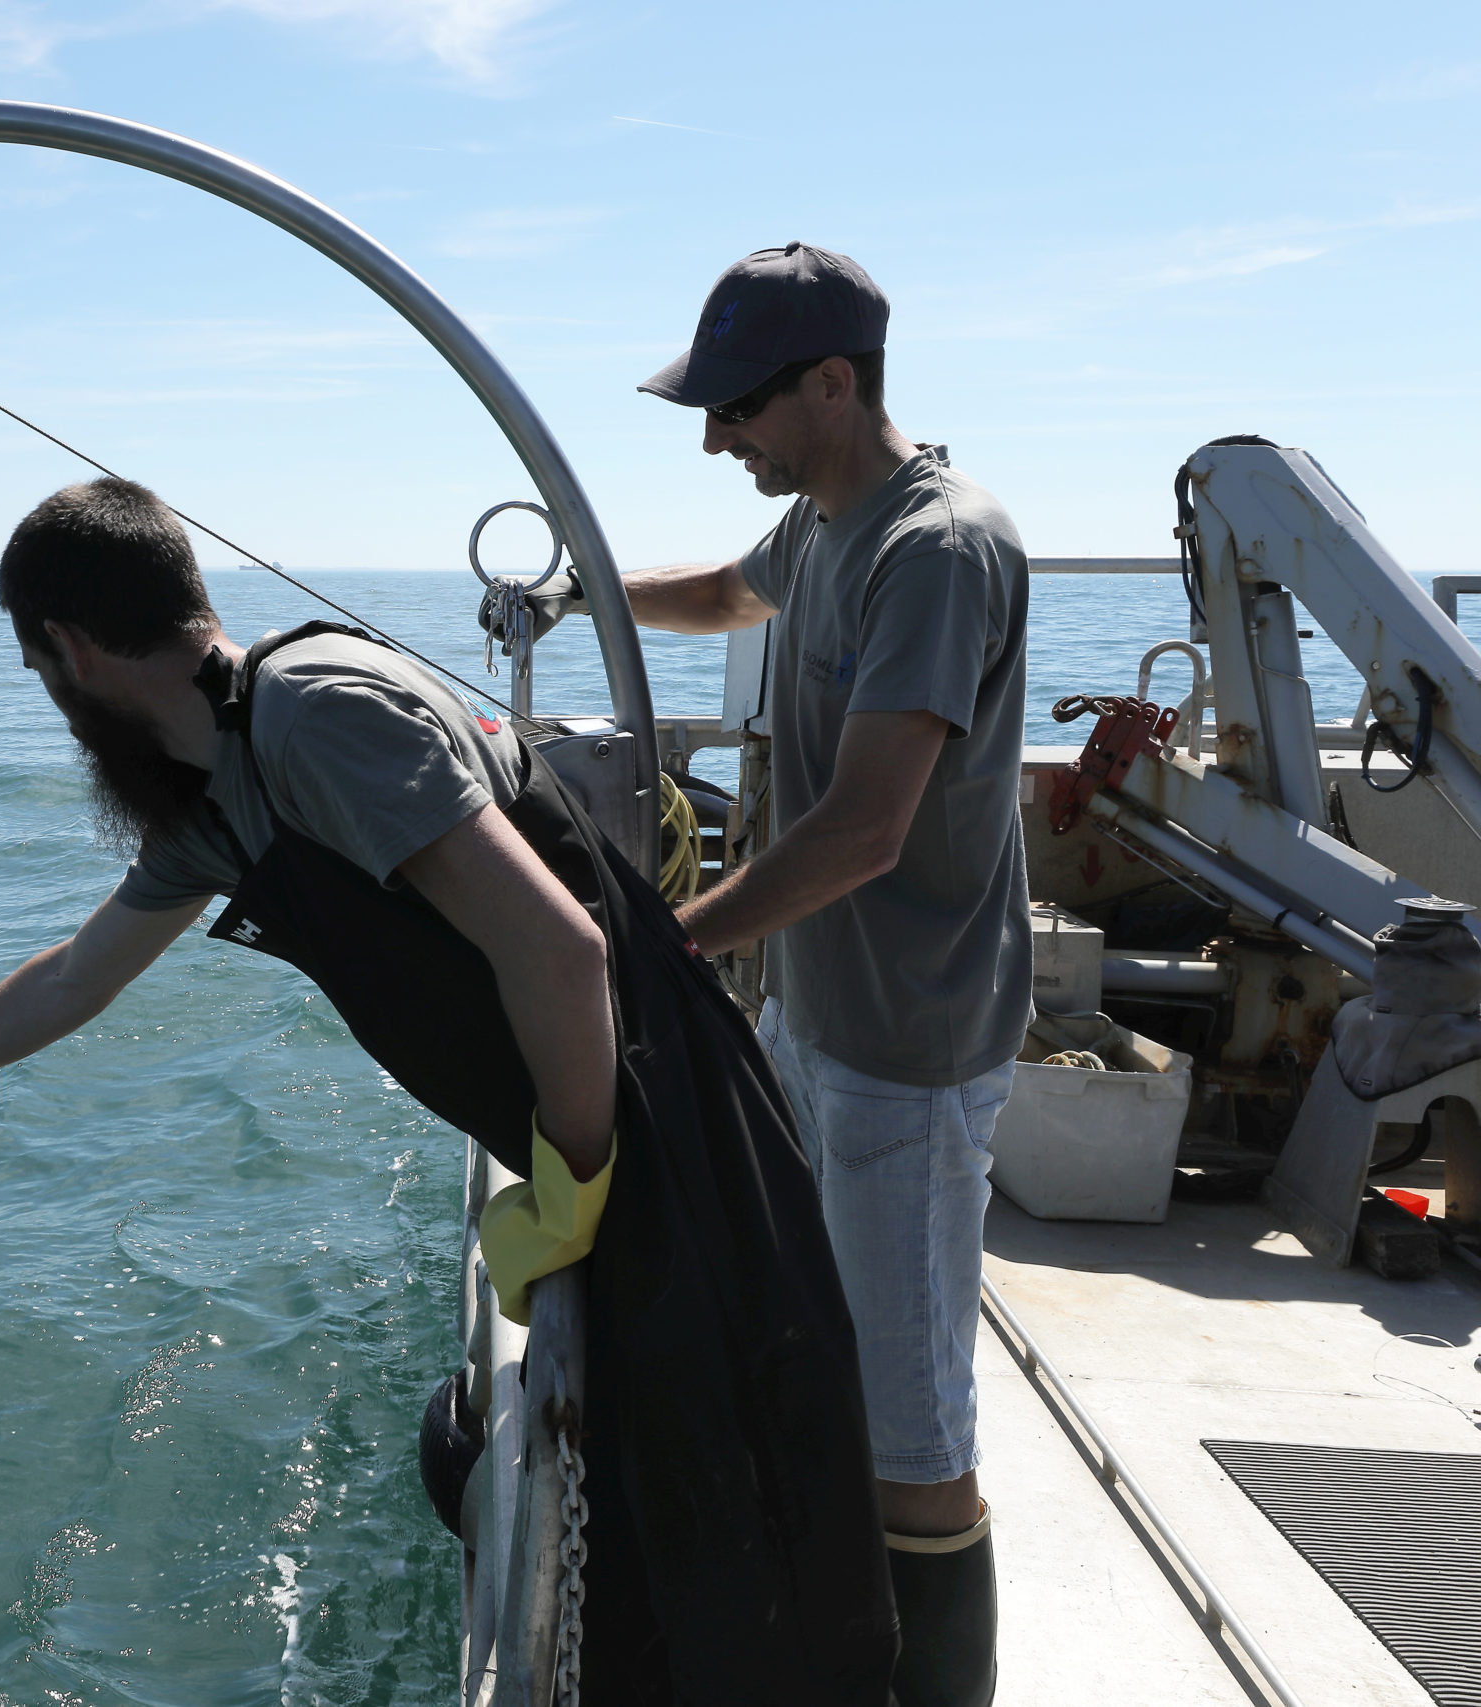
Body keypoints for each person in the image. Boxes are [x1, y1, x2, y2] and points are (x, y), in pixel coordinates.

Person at [0, 475, 897, 1703]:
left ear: (73, 650)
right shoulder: (225, 782)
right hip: (602, 1129)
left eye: (39, 672)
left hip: (665, 1125)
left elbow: (560, 951)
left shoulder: (316, 718)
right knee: (659, 1522)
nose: (51, 699)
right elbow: (82, 971)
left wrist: (576, 1179)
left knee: (748, 1526)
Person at [620, 241, 1032, 1707]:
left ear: (835, 382)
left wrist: (669, 943)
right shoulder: (830, 522)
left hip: (906, 1049)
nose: (720, 436)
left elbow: (862, 830)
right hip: (823, 1013)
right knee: (846, 1353)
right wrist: (586, 594)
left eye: (737, 409)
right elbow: (734, 591)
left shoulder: (936, 547)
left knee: (917, 1434)